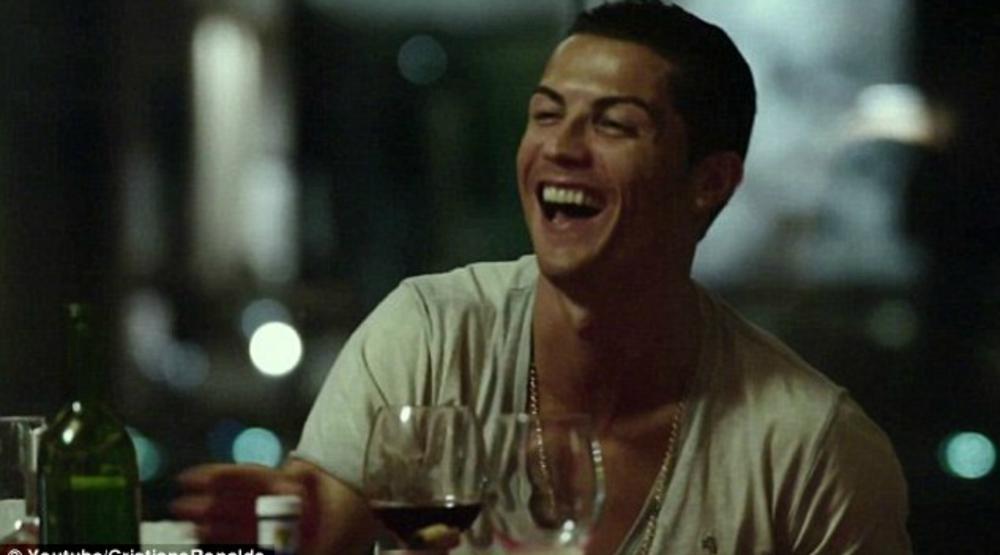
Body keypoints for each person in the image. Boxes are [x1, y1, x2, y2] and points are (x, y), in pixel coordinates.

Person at [172, 1, 912, 553]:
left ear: (709, 183)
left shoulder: (813, 449)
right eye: (546, 114)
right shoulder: (431, 337)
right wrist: (290, 523)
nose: (561, 147)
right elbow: (322, 518)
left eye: (614, 124)